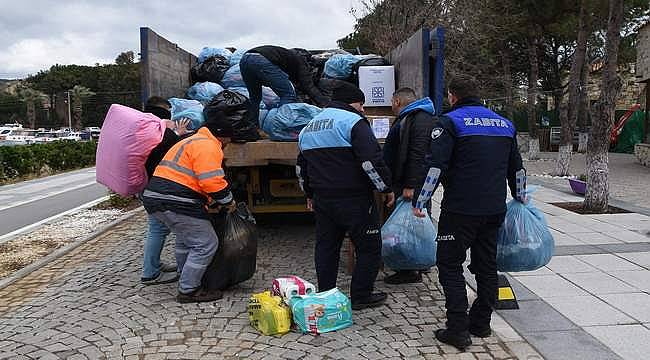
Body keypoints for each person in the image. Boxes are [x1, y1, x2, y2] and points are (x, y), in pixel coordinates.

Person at [411, 75, 525, 350]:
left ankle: (458, 329)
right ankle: (482, 323)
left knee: (450, 266)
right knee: (487, 266)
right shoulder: (505, 125)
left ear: (453, 96)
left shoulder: (450, 122)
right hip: (494, 210)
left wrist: (420, 200)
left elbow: (435, 167)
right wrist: (520, 197)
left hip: (459, 211)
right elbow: (518, 170)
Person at [297, 81, 395, 310]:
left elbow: (301, 168)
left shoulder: (308, 127)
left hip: (322, 200)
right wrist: (386, 188)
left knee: (326, 247)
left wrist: (309, 194)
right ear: (353, 103)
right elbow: (371, 162)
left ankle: (327, 294)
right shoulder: (353, 122)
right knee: (369, 247)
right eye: (361, 104)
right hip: (355, 199)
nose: (363, 109)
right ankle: (361, 296)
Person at [142, 114, 236, 303]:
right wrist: (228, 201)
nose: (229, 143)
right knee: (205, 243)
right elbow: (211, 181)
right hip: (176, 200)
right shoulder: (209, 146)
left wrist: (208, 201)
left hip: (156, 197)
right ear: (223, 137)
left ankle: (185, 275)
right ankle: (189, 290)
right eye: (229, 139)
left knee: (186, 240)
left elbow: (191, 176)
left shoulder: (192, 140)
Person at [382, 87, 436, 285]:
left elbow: (418, 152)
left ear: (397, 101)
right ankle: (417, 262)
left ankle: (409, 268)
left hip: (410, 184)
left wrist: (411, 185)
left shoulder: (418, 118)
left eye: (391, 102)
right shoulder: (412, 116)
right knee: (413, 224)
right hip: (407, 182)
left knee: (409, 226)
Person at [140, 97, 191, 285]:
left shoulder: (145, 125)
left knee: (157, 227)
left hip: (147, 184)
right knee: (158, 228)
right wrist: (177, 133)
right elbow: (161, 150)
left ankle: (154, 264)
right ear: (162, 110)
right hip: (154, 185)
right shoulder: (156, 130)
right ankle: (150, 273)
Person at [240, 45, 328, 125]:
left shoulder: (286, 56)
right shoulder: (301, 61)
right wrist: (326, 105)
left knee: (255, 97)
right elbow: (309, 87)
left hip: (245, 59)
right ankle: (280, 126)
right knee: (288, 95)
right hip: (260, 60)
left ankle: (252, 128)